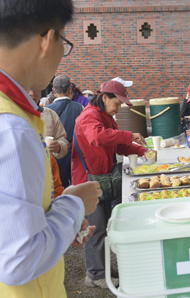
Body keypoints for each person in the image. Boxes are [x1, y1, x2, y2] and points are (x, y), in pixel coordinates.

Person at [0, 0, 101, 296]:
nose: (62, 56)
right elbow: (19, 260)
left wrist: (60, 228)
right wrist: (73, 204)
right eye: (65, 43)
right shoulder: (13, 127)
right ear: (47, 39)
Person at [71, 79, 148, 289]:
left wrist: (142, 151)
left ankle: (100, 269)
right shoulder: (89, 116)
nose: (119, 107)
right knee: (95, 230)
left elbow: (118, 145)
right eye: (118, 103)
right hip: (88, 181)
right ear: (105, 98)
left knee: (104, 226)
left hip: (101, 179)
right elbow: (97, 137)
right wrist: (129, 135)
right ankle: (95, 275)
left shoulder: (106, 116)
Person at [46, 75, 84, 187]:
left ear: (53, 91)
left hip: (55, 157)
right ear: (69, 90)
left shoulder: (47, 111)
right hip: (76, 155)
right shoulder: (80, 108)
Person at [28, 89, 70, 160]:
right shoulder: (10, 115)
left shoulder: (50, 114)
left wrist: (59, 147)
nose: (32, 93)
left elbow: (63, 140)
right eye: (28, 89)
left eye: (36, 89)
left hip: (46, 167)